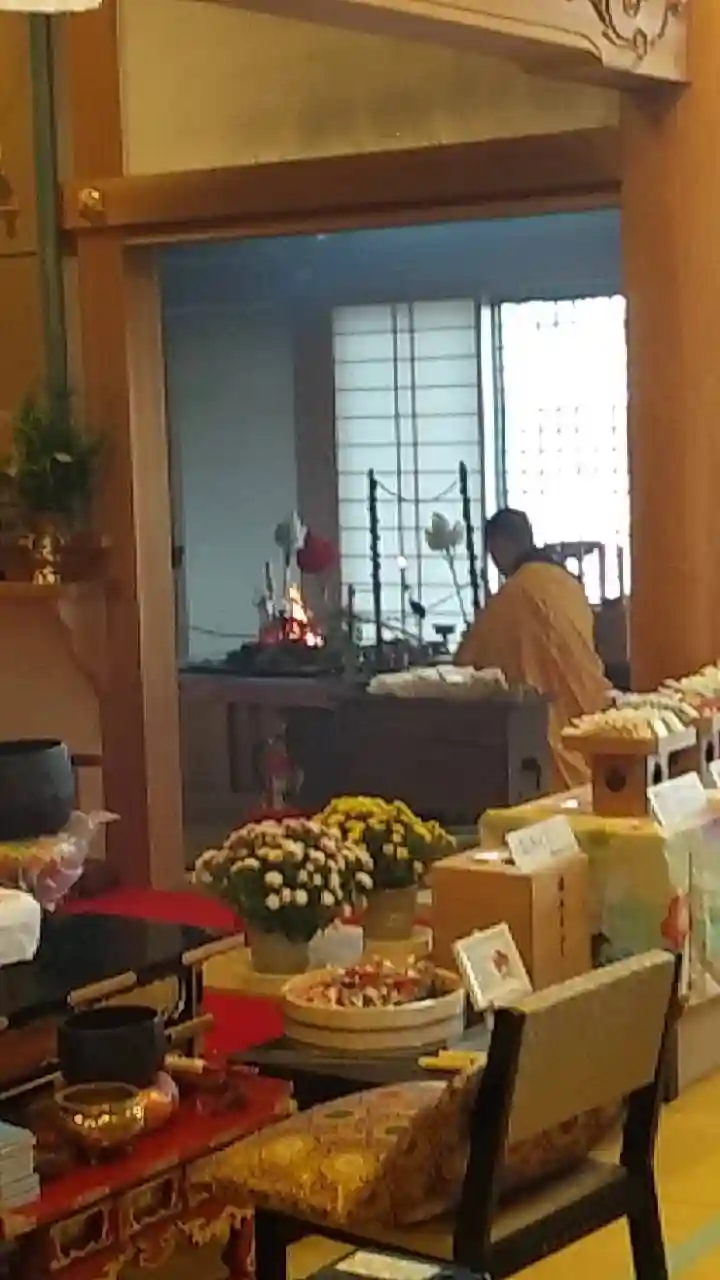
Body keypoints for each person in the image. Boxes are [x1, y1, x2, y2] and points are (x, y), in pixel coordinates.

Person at [455, 508, 609, 789]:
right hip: (590, 713)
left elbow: (468, 662)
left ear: (501, 545)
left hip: (549, 722)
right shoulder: (568, 584)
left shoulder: (516, 593)